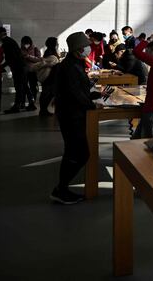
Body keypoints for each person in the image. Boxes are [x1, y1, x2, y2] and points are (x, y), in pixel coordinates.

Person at [50, 32, 102, 205]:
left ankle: (61, 188)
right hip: (72, 115)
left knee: (75, 152)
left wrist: (93, 95)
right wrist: (92, 104)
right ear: (78, 49)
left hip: (74, 113)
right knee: (78, 153)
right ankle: (60, 189)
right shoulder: (70, 67)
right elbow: (75, 94)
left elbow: (80, 90)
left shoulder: (75, 63)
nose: (88, 48)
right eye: (85, 46)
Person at [0, 27, 29, 114]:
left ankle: (17, 106)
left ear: (0, 34)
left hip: (18, 67)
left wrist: (2, 67)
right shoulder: (10, 41)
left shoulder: (6, 43)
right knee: (23, 86)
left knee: (19, 86)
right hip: (21, 66)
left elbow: (11, 58)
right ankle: (25, 104)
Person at [34, 37, 60, 117]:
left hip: (50, 76)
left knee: (48, 93)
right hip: (49, 76)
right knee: (46, 93)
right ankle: (43, 110)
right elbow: (51, 63)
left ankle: (44, 110)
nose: (57, 44)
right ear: (53, 44)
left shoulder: (49, 51)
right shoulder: (50, 52)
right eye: (56, 43)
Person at [21, 36, 42, 109]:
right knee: (23, 87)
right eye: (24, 44)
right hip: (23, 71)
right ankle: (22, 103)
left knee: (33, 87)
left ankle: (32, 102)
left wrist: (28, 56)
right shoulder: (21, 49)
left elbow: (39, 59)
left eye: (27, 44)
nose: (25, 45)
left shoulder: (35, 48)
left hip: (33, 70)